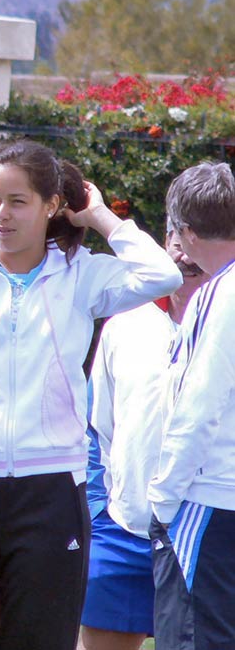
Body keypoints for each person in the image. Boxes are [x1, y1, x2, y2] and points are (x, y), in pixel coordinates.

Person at [0, 139, 182, 650]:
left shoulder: (82, 277)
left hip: (51, 496)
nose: (0, 215)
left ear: (52, 206)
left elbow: (162, 274)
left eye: (17, 201)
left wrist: (99, 218)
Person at [79, 222, 209, 650]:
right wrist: (99, 511)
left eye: (198, 242)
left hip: (205, 536)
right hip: (122, 531)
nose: (186, 255)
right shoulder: (123, 325)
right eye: (177, 241)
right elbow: (97, 429)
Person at [147, 162, 235, 650]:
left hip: (210, 499)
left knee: (193, 639)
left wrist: (162, 498)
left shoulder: (220, 293)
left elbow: (200, 402)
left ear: (185, 231)